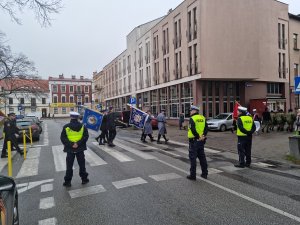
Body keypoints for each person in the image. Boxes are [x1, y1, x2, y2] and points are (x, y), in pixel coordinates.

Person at [60, 111, 89, 187]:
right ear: (77, 117)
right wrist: (78, 144)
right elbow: (86, 136)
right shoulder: (83, 126)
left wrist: (72, 144)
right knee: (82, 165)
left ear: (71, 117)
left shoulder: (66, 126)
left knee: (69, 166)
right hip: (80, 149)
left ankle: (67, 182)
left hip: (70, 150)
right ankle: (84, 179)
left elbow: (63, 138)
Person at [186, 105, 208, 180]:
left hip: (194, 141)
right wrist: (203, 136)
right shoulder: (203, 118)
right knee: (202, 157)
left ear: (195, 111)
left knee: (193, 158)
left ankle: (193, 175)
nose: (190, 112)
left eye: (191, 110)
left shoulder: (192, 118)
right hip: (201, 141)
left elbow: (192, 129)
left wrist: (198, 137)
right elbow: (206, 128)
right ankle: (205, 174)